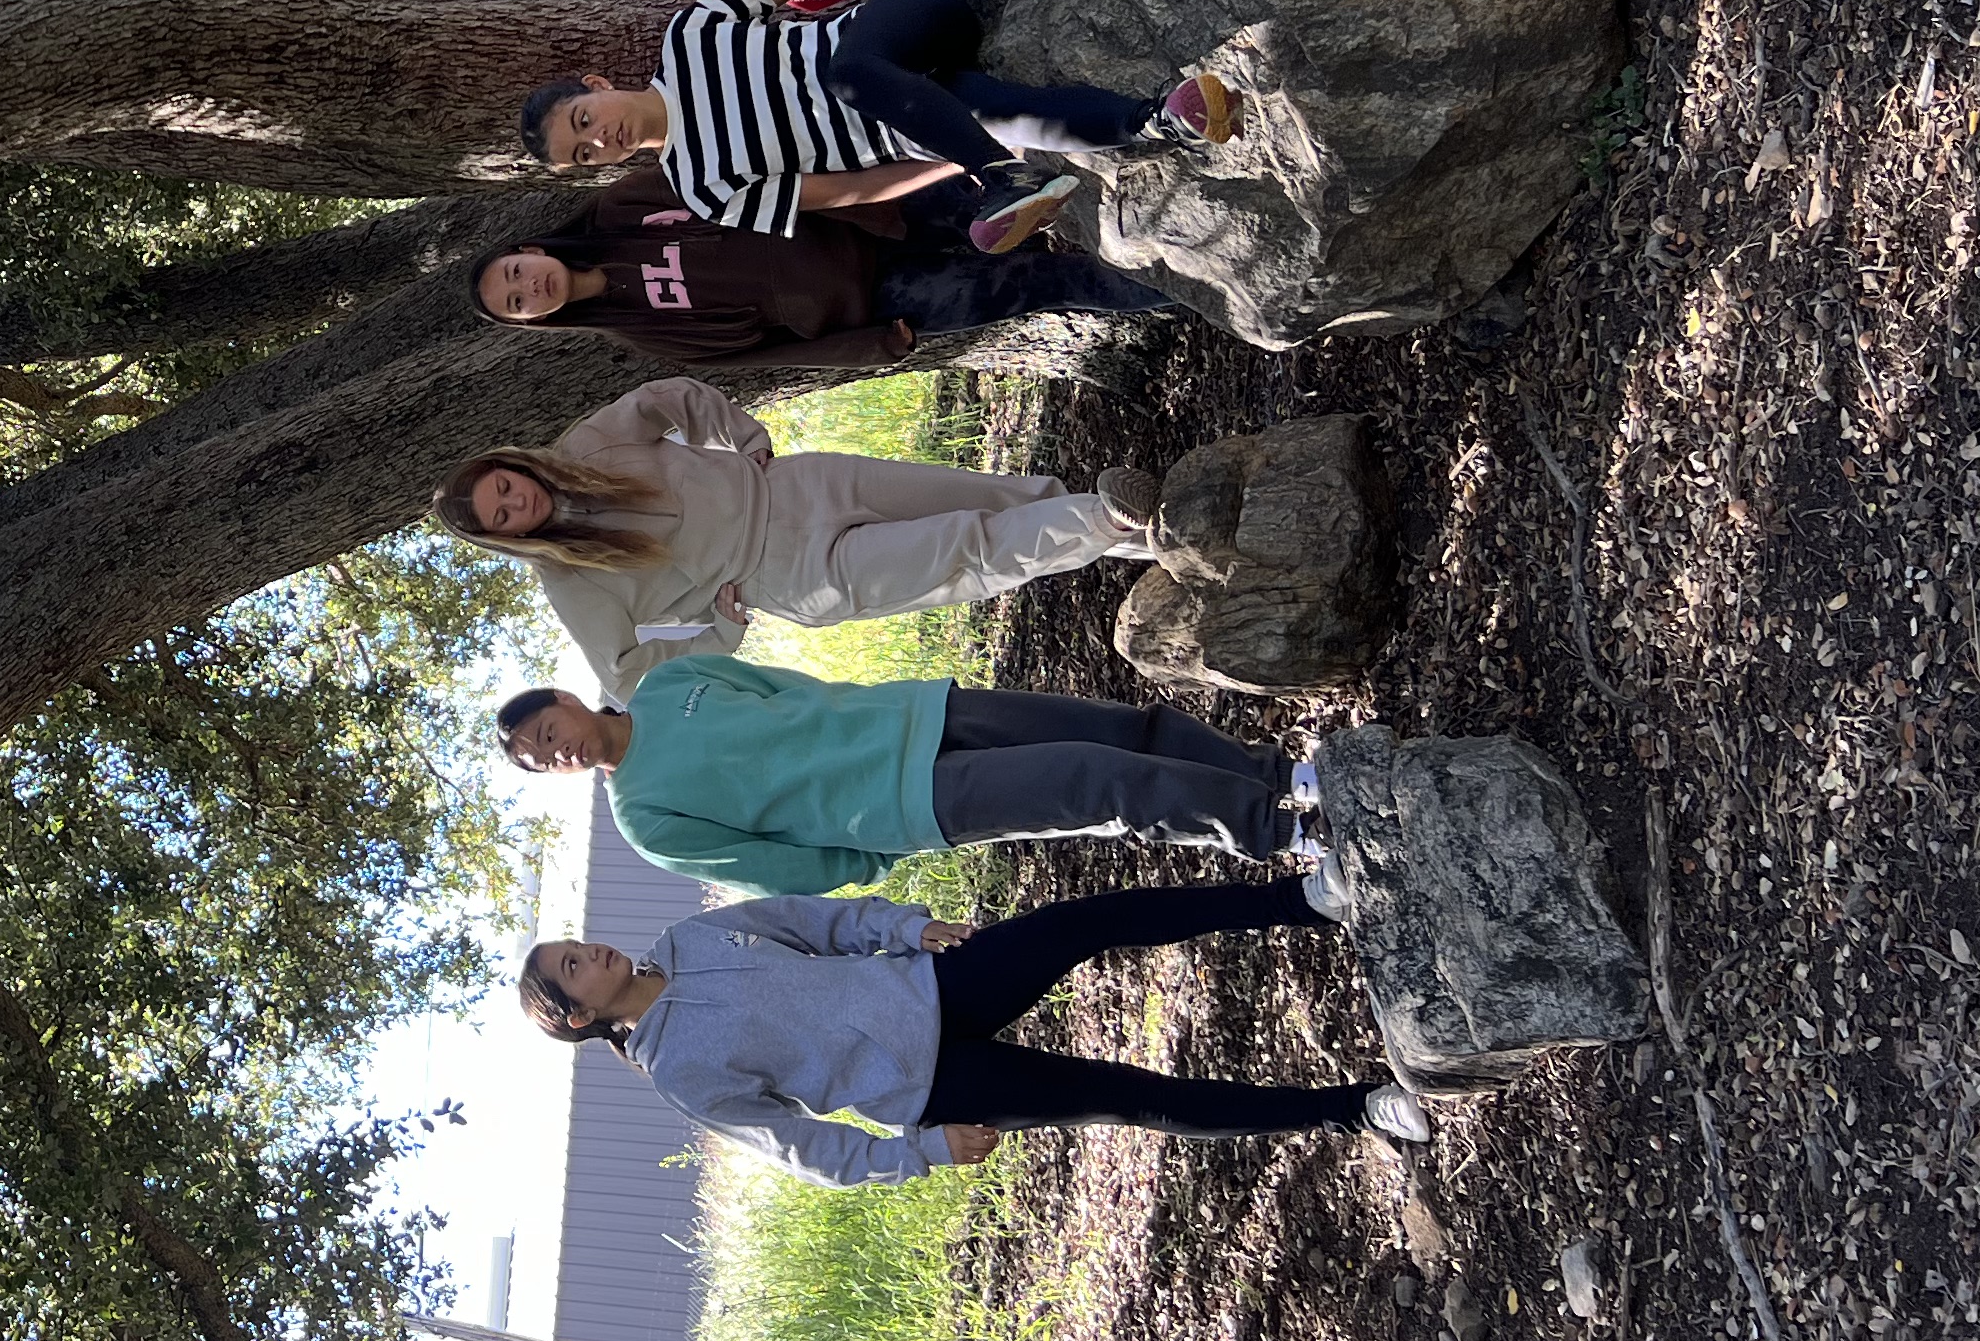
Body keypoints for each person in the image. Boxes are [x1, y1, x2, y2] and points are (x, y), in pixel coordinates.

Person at [511, 882, 1433, 1185]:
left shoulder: (693, 936)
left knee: (1086, 922)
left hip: (935, 983)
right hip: (932, 1086)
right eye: (573, 966)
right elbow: (801, 1146)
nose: (590, 948)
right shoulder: (679, 1071)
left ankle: (1304, 898)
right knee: (1130, 1096)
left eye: (575, 944)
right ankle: (1356, 1108)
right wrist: (918, 1151)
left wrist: (903, 927)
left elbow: (812, 920)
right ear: (581, 1016)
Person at [429, 378, 1158, 702]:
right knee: (969, 549)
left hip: (797, 485)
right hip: (793, 576)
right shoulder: (571, 582)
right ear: (509, 538)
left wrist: (743, 438)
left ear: (510, 465)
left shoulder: (588, 443)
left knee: (985, 496)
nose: (516, 503)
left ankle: (1145, 529)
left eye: (503, 487)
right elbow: (627, 677)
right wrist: (719, 630)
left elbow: (666, 396)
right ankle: (1103, 520)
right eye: (502, 517)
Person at [518, 0, 1242, 256]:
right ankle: (1159, 121)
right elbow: (852, 190)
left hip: (903, 26)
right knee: (997, 112)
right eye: (586, 155)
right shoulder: (702, 187)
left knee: (849, 73)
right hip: (919, 119)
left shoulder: (690, 35)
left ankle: (1002, 180)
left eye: (583, 119)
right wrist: (941, 159)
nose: (599, 138)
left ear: (595, 83)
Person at [494, 668, 1332, 900]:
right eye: (540, 760)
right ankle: (1281, 832)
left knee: (1114, 729)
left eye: (544, 732)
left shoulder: (674, 684)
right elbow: (768, 868)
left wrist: (878, 709)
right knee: (1096, 784)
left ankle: (1285, 776)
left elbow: (789, 689)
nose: (553, 750)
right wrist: (868, 854)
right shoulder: (643, 818)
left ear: (565, 700)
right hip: (905, 804)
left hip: (917, 713)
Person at [470, 164, 1178, 363]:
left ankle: (1155, 192)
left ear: (528, 251)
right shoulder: (643, 332)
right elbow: (765, 355)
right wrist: (869, 345)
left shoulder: (623, 206)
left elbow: (738, 173)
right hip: (883, 297)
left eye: (514, 275)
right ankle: (1184, 281)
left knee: (1007, 199)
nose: (527, 289)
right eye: (518, 304)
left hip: (866, 216)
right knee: (1044, 283)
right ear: (539, 318)